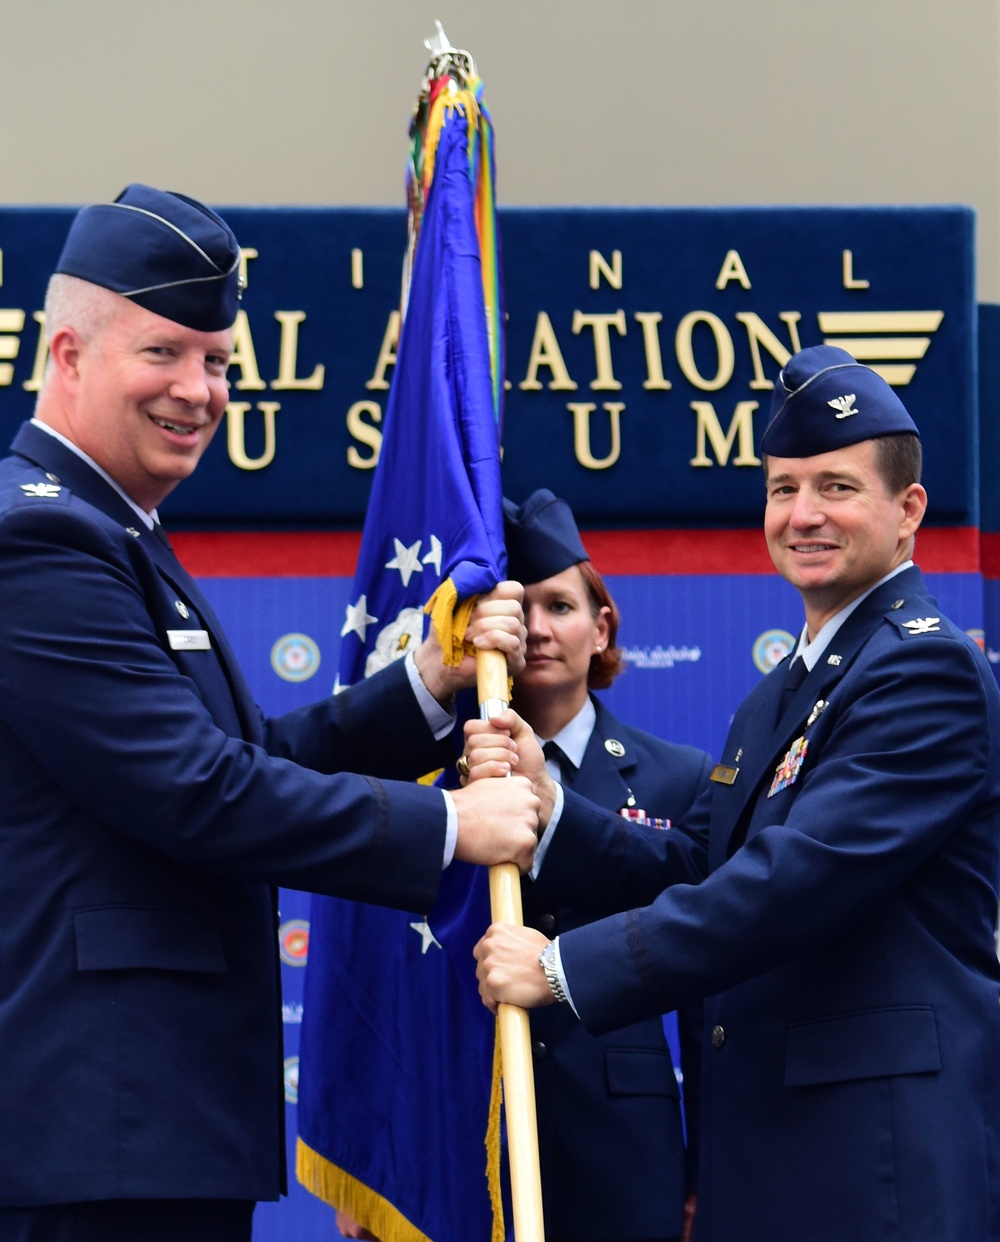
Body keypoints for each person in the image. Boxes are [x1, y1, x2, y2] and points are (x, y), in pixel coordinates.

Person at [0, 184, 539, 1242]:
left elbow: (241, 756)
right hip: (96, 1139)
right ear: (66, 355)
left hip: (143, 1128)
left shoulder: (116, 532)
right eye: (165, 351)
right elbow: (196, 790)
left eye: (217, 360)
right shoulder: (41, 544)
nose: (198, 389)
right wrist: (449, 826)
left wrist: (425, 685)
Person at [471, 346, 1000, 1242]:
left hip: (875, 1166)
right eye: (782, 487)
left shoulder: (924, 669)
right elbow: (691, 860)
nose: (802, 515)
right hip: (772, 1160)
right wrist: (548, 809)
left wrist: (563, 971)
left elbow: (787, 884)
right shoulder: (779, 693)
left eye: (835, 487)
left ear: (908, 511)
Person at [498, 489, 710, 1242]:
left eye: (559, 606)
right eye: (517, 610)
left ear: (602, 626)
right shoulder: (441, 778)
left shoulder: (677, 778)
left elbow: (708, 984)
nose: (537, 629)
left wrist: (703, 1170)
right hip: (467, 1127)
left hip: (627, 1142)